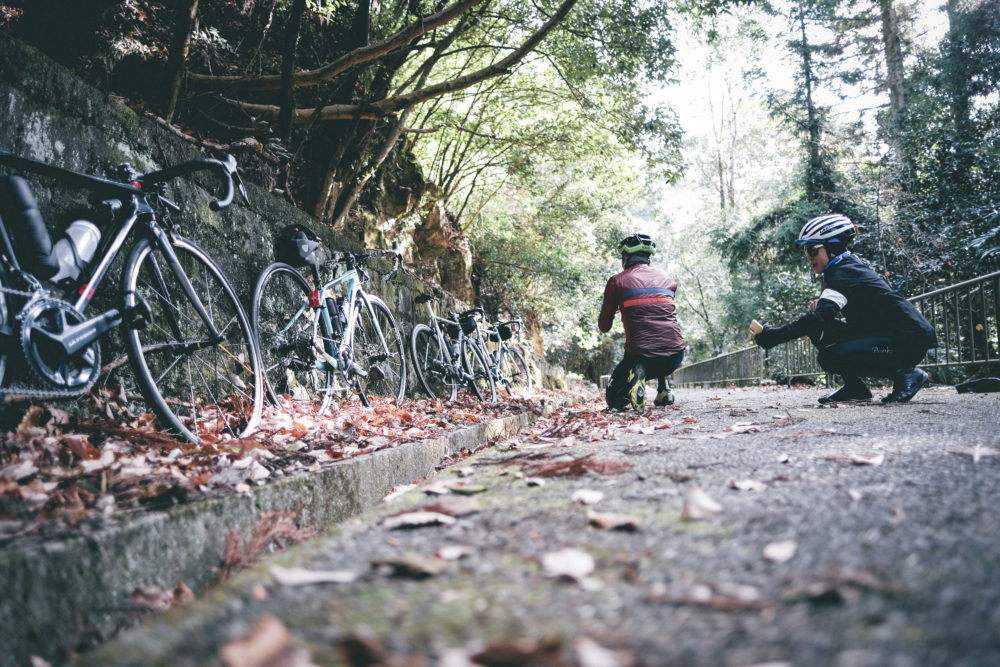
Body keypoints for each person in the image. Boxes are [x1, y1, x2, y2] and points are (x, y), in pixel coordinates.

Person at [753, 214, 937, 404]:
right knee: (821, 330)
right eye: (806, 251)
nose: (808, 257)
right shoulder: (841, 271)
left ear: (832, 247)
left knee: (830, 356)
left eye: (812, 249)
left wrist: (776, 336)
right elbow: (820, 321)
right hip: (886, 335)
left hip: (908, 341)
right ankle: (855, 387)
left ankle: (907, 373)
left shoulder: (846, 273)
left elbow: (818, 318)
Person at [599, 233, 686, 410]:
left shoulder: (617, 281)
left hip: (641, 355)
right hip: (675, 357)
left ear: (626, 257)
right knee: (661, 341)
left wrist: (615, 306)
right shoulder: (668, 281)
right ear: (648, 258)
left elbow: (604, 326)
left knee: (614, 400)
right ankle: (664, 390)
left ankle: (637, 374)